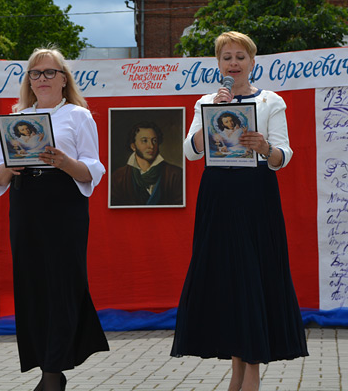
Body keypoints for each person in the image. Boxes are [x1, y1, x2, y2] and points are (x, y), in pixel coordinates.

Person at [171, 31, 308, 391]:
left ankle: (250, 377)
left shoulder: (270, 102)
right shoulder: (206, 101)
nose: (233, 63)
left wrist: (264, 146)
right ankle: (237, 373)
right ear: (218, 64)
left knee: (254, 278)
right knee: (229, 281)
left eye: (240, 57)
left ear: (252, 61)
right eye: (226, 57)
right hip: (217, 197)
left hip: (256, 196)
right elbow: (190, 151)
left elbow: (283, 156)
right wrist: (214, 112)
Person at [0, 47, 109, 391]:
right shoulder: (18, 117)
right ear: (29, 80)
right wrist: (6, 170)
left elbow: (92, 168)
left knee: (62, 284)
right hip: (25, 202)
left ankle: (52, 374)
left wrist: (63, 162)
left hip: (63, 203)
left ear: (64, 79)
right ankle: (47, 364)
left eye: (49, 72)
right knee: (33, 285)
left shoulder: (78, 115)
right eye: (35, 73)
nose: (42, 79)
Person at [110, 121, 184, 206]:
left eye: (154, 140)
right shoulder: (118, 177)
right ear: (133, 146)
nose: (151, 146)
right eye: (144, 141)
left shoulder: (175, 175)